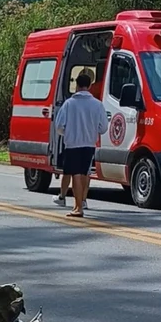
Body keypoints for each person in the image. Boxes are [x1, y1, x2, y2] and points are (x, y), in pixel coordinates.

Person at [51, 71, 107, 218]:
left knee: (75, 174)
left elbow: (59, 126)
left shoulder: (69, 104)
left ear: (77, 85)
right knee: (84, 173)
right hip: (89, 144)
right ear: (89, 86)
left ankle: (78, 207)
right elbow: (103, 127)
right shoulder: (97, 105)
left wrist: (68, 132)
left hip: (73, 144)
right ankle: (82, 202)